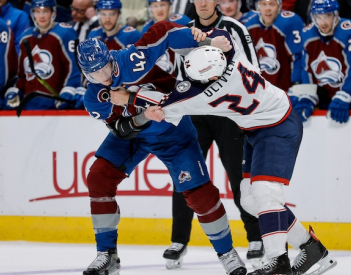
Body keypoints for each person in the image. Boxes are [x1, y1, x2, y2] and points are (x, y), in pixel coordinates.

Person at [110, 28, 338, 275]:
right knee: (250, 200)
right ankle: (311, 248)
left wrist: (129, 99)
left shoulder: (196, 97)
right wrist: (205, 38)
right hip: (260, 126)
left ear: (207, 78)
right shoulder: (232, 52)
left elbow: (162, 104)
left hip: (277, 127)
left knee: (265, 192)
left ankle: (278, 261)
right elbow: (221, 38)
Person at [76, 23, 248, 275]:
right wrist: (142, 115)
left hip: (173, 132)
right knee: (98, 177)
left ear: (110, 58)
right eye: (93, 75)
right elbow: (121, 129)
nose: (102, 78)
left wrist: (202, 39)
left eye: (104, 69)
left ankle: (227, 253)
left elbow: (163, 32)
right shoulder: (93, 98)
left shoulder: (131, 59)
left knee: (200, 195)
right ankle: (106, 254)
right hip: (135, 135)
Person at [165, 0, 264, 270]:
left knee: (239, 177)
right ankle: (179, 240)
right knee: (185, 176)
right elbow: (175, 75)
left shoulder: (235, 28)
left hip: (228, 115)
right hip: (195, 116)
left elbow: (254, 70)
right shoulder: (182, 32)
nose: (204, 2)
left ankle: (256, 237)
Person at [295, 0, 351, 123]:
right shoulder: (307, 35)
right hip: (326, 98)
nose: (323, 22)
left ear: (336, 14)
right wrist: (308, 95)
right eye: (318, 17)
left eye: (327, 16)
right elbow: (306, 70)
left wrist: (345, 95)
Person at [4, 0, 83, 110]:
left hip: (57, 104)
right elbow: (23, 74)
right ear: (32, 13)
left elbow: (75, 68)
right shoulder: (26, 37)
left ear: (53, 12)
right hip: (30, 105)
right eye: (37, 12)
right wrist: (16, 91)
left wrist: (69, 90)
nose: (41, 16)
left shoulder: (65, 33)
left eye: (45, 11)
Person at [245, 0, 304, 93]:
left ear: (279, 6)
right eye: (264, 4)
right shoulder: (250, 26)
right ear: (258, 7)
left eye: (272, 4)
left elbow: (297, 57)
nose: (268, 8)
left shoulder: (289, 22)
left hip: (286, 91)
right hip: (259, 91)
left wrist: (296, 85)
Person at [141, 0, 190, 75]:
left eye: (163, 5)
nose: (159, 10)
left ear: (170, 6)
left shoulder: (182, 21)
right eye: (155, 6)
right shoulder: (146, 28)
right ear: (150, 8)